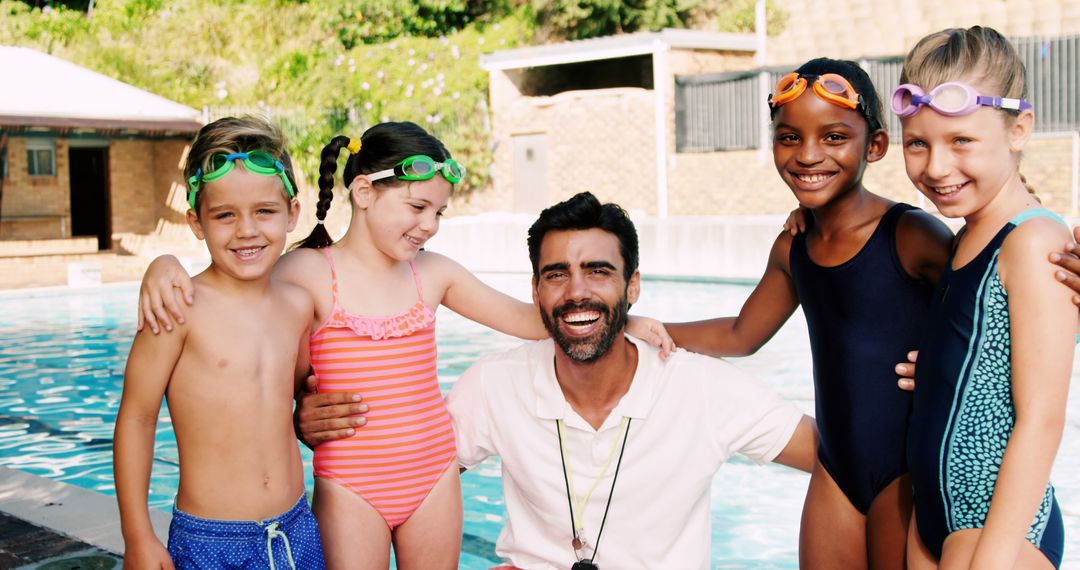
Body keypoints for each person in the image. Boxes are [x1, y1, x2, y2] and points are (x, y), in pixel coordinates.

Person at [136, 122, 672, 569]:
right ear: (364, 192)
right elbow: (249, 315)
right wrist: (162, 267)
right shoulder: (305, 273)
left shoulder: (431, 274)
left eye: (438, 213)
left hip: (433, 474)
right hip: (351, 482)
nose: (429, 226)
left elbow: (527, 320)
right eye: (418, 207)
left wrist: (621, 319)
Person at [302, 191, 818, 569]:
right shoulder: (495, 384)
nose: (576, 292)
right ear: (534, 289)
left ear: (632, 286)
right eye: (556, 275)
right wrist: (306, 418)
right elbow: (401, 471)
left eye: (598, 271)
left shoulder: (701, 388)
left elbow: (837, 458)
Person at [662, 58, 954, 570]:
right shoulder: (793, 248)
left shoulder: (911, 237)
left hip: (906, 470)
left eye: (835, 137)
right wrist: (651, 331)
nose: (809, 155)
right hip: (835, 471)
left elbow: (996, 316)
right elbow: (741, 333)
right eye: (789, 137)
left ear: (876, 146)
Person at [896, 26, 1074, 569]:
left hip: (998, 532)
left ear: (1019, 129)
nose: (936, 167)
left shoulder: (1033, 241)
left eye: (962, 142)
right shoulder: (964, 237)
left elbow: (1042, 417)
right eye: (917, 143)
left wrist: (992, 558)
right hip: (937, 521)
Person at [113, 116, 326, 569]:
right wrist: (137, 536)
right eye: (224, 215)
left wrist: (310, 415)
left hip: (297, 527)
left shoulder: (299, 306)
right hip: (212, 538)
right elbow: (136, 417)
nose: (246, 230)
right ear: (196, 221)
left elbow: (295, 397)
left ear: (292, 212)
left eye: (264, 211)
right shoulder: (176, 309)